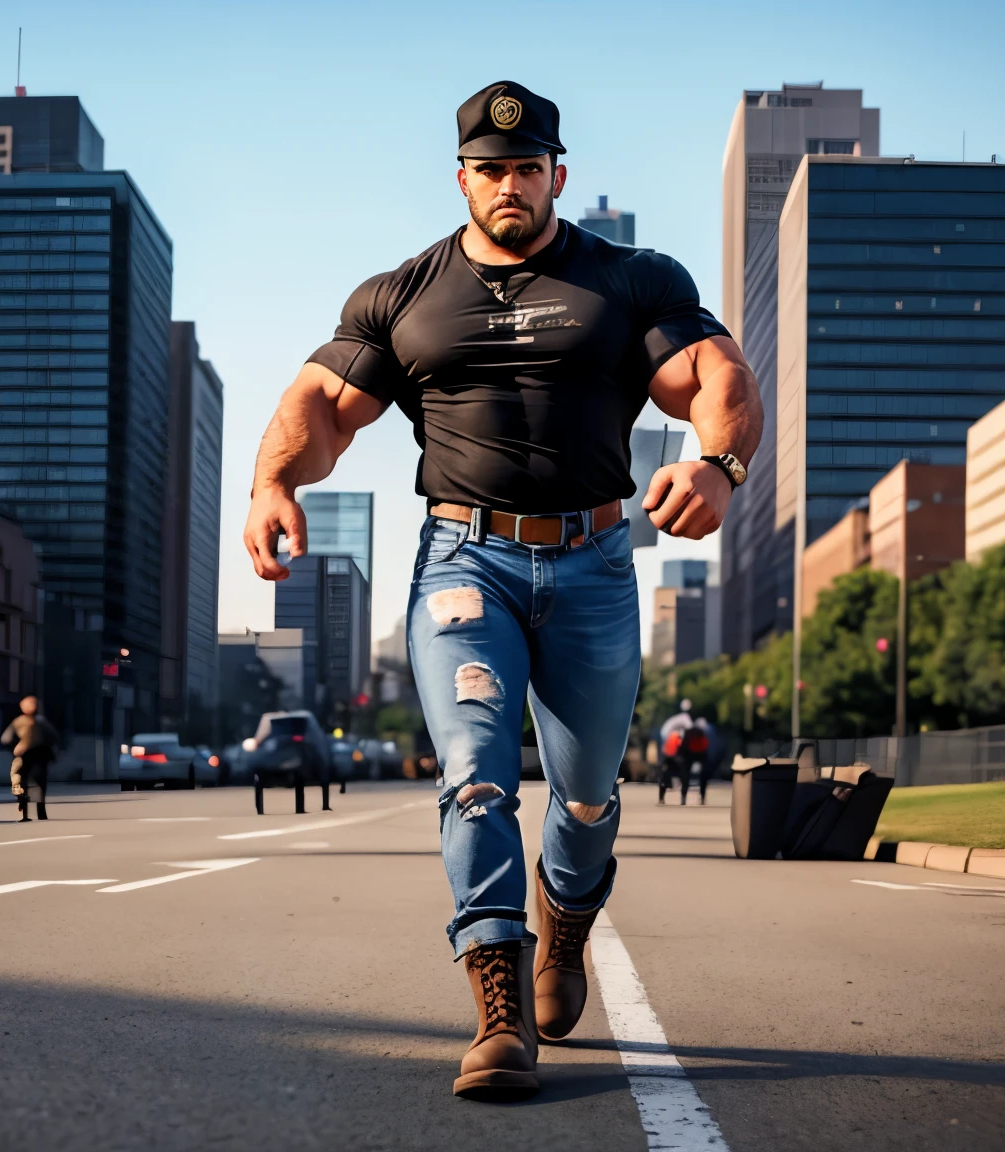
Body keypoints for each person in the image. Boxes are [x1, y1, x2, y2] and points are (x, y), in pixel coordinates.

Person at [242, 81, 761, 1102]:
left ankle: (561, 923)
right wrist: (271, 482)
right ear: (462, 177)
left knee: (584, 795)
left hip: (594, 564)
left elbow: (711, 371)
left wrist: (716, 466)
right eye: (491, 169)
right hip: (462, 563)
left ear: (557, 174)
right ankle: (497, 1004)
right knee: (476, 771)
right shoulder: (402, 294)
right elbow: (321, 402)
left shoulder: (629, 280)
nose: (510, 185)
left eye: (528, 169)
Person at [0, 696, 59, 822]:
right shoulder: (41, 721)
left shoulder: (18, 721)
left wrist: (16, 746)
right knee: (40, 783)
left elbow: (6, 738)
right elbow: (54, 736)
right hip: (41, 755)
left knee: (22, 783)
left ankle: (24, 813)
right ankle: (41, 813)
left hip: (23, 755)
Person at [658, 700, 706, 805]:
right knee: (680, 771)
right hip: (671, 743)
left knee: (667, 770)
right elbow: (690, 731)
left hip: (670, 743)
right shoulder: (685, 719)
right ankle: (673, 793)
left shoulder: (679, 719)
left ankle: (664, 795)